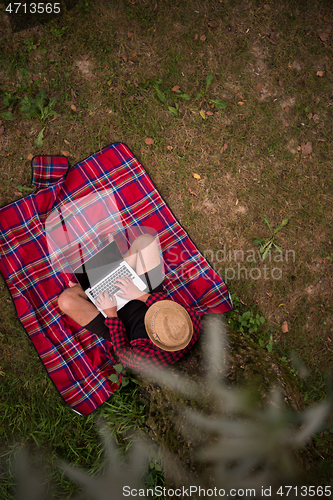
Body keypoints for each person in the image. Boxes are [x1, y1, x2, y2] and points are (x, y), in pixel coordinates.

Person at [58, 234, 202, 372]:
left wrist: (111, 314)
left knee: (65, 301)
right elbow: (167, 304)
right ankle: (113, 271)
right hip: (146, 299)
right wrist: (140, 295)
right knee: (146, 241)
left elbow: (121, 350)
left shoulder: (143, 361)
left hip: (121, 326)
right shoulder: (191, 323)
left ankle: (101, 279)